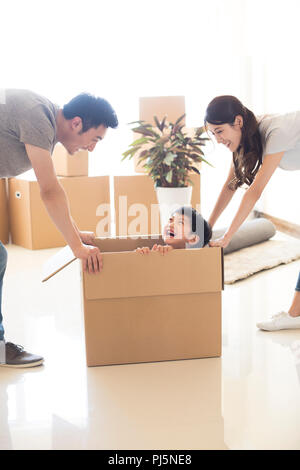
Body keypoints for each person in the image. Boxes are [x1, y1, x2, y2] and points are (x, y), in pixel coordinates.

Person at [0, 89, 118, 367]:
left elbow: (52, 191)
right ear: (77, 123)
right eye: (95, 138)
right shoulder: (37, 114)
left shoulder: (44, 124)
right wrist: (76, 246)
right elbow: (50, 191)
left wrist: (76, 236)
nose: (93, 147)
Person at [204, 95, 300, 331]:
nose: (218, 140)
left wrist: (227, 237)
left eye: (219, 131)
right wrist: (207, 228)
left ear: (237, 121)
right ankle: (296, 314)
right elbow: (229, 186)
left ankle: (295, 315)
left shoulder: (274, 133)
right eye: (213, 134)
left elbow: (254, 191)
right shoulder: (248, 137)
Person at [136, 206, 212, 254]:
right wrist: (145, 256)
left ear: (193, 239)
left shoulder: (195, 261)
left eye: (180, 222)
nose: (171, 225)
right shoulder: (158, 251)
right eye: (171, 220)